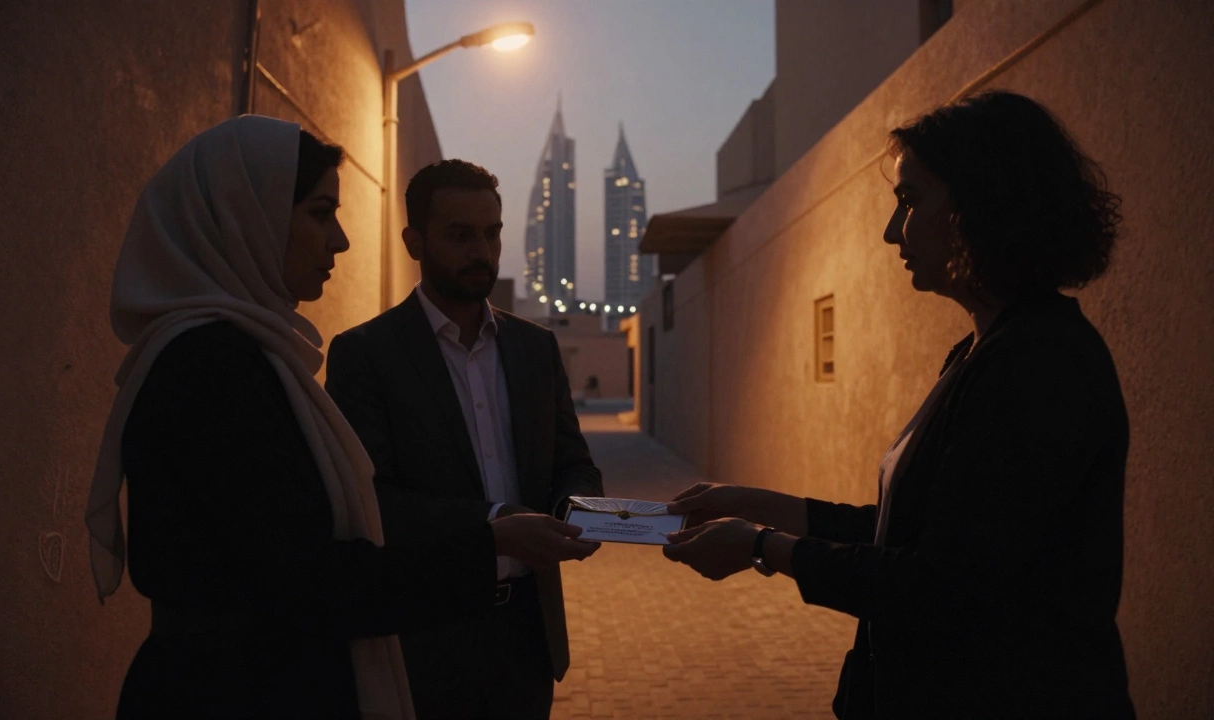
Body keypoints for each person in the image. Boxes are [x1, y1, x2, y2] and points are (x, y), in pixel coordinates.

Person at [83, 117, 584, 720]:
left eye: (491, 233)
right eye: (321, 213)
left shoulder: (251, 356)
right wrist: (489, 541)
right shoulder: (211, 369)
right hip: (231, 691)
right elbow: (316, 578)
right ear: (251, 216)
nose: (341, 240)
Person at [661, 90, 1134, 719]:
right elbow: (910, 536)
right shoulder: (979, 353)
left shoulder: (1039, 366)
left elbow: (941, 586)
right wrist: (760, 507)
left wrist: (761, 547)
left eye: (908, 201)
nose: (891, 231)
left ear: (979, 206)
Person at [326, 159, 604, 720]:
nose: (482, 250)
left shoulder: (535, 349)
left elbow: (573, 462)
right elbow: (372, 502)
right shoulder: (366, 356)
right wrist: (498, 526)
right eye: (460, 235)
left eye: (492, 233)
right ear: (414, 240)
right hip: (427, 636)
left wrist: (579, 512)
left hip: (528, 635)